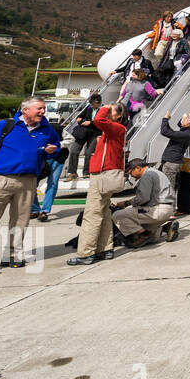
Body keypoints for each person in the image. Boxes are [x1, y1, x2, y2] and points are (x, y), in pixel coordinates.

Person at [0, 97, 61, 275]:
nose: (43, 112)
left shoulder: (46, 128)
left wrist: (53, 150)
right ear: (25, 110)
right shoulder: (5, 126)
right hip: (0, 178)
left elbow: (55, 146)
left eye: (43, 109)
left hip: (28, 180)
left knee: (20, 221)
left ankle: (11, 255)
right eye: (39, 109)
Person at [68, 102, 127, 265]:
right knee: (105, 212)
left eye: (111, 111)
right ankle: (105, 248)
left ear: (119, 116)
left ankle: (86, 253)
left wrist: (104, 108)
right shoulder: (113, 130)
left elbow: (99, 120)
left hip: (103, 175)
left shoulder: (116, 128)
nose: (107, 113)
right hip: (105, 174)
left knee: (92, 214)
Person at [114, 159, 179, 247]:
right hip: (168, 209)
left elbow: (143, 198)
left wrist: (126, 203)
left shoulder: (146, 176)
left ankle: (144, 234)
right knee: (153, 239)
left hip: (157, 210)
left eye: (130, 173)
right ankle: (166, 226)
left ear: (138, 168)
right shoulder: (156, 172)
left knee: (118, 215)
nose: (131, 176)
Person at [159, 110, 190, 216]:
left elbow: (165, 131)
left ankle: (175, 210)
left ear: (189, 121)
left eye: (184, 118)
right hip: (178, 159)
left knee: (174, 187)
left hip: (179, 160)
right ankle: (175, 208)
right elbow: (176, 128)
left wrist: (165, 119)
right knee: (173, 185)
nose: (181, 120)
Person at [64, 94, 103, 181]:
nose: (92, 105)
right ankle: (72, 172)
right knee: (74, 150)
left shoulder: (102, 110)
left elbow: (101, 122)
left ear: (99, 102)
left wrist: (90, 123)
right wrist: (83, 121)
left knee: (89, 152)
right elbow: (79, 118)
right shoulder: (88, 108)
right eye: (91, 103)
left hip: (95, 133)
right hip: (82, 133)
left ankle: (86, 172)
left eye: (93, 103)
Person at [30, 143, 70, 221]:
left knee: (53, 183)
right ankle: (35, 209)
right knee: (31, 184)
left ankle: (44, 211)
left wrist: (58, 145)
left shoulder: (62, 130)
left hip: (59, 156)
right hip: (41, 158)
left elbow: (71, 139)